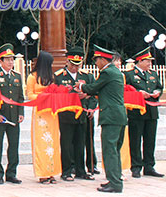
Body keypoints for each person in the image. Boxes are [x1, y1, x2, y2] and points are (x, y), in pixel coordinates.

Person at [78, 45, 127, 194]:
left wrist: (82, 86)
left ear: (102, 59)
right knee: (115, 150)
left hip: (110, 116)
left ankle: (115, 183)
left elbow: (93, 87)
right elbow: (104, 91)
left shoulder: (107, 72)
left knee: (110, 150)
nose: (95, 63)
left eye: (96, 60)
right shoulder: (116, 72)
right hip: (119, 115)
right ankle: (115, 179)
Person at [54, 48, 95, 181]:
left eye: (78, 65)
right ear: (67, 61)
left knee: (80, 143)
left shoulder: (87, 76)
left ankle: (80, 170)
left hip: (83, 114)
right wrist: (74, 95)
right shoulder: (59, 76)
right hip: (66, 114)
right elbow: (56, 95)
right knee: (66, 144)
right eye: (72, 64)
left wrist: (91, 107)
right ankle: (66, 171)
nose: (75, 67)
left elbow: (94, 94)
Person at [0, 44, 24, 185]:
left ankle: (11, 173)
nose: (10, 62)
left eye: (12, 59)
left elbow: (20, 97)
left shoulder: (17, 76)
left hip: (13, 116)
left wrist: (21, 113)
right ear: (0, 61)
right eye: (7, 59)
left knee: (13, 146)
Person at [125, 47, 163, 178]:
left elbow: (159, 87)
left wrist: (157, 93)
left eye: (150, 61)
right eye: (147, 61)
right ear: (140, 61)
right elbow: (126, 91)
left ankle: (149, 166)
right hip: (136, 112)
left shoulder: (153, 74)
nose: (150, 63)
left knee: (150, 140)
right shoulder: (129, 75)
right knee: (135, 140)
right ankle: (136, 166)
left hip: (151, 112)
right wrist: (138, 93)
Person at [26, 50, 60, 183]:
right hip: (40, 113)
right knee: (41, 142)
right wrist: (43, 96)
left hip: (51, 113)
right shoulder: (32, 77)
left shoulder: (52, 76)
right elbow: (30, 94)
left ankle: (52, 171)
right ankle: (42, 173)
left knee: (52, 142)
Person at [110, 53, 131, 175]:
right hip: (111, 113)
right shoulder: (106, 74)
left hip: (121, 111)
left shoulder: (122, 75)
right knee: (112, 145)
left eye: (119, 61)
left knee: (121, 143)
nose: (118, 63)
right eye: (116, 61)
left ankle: (120, 169)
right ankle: (113, 171)